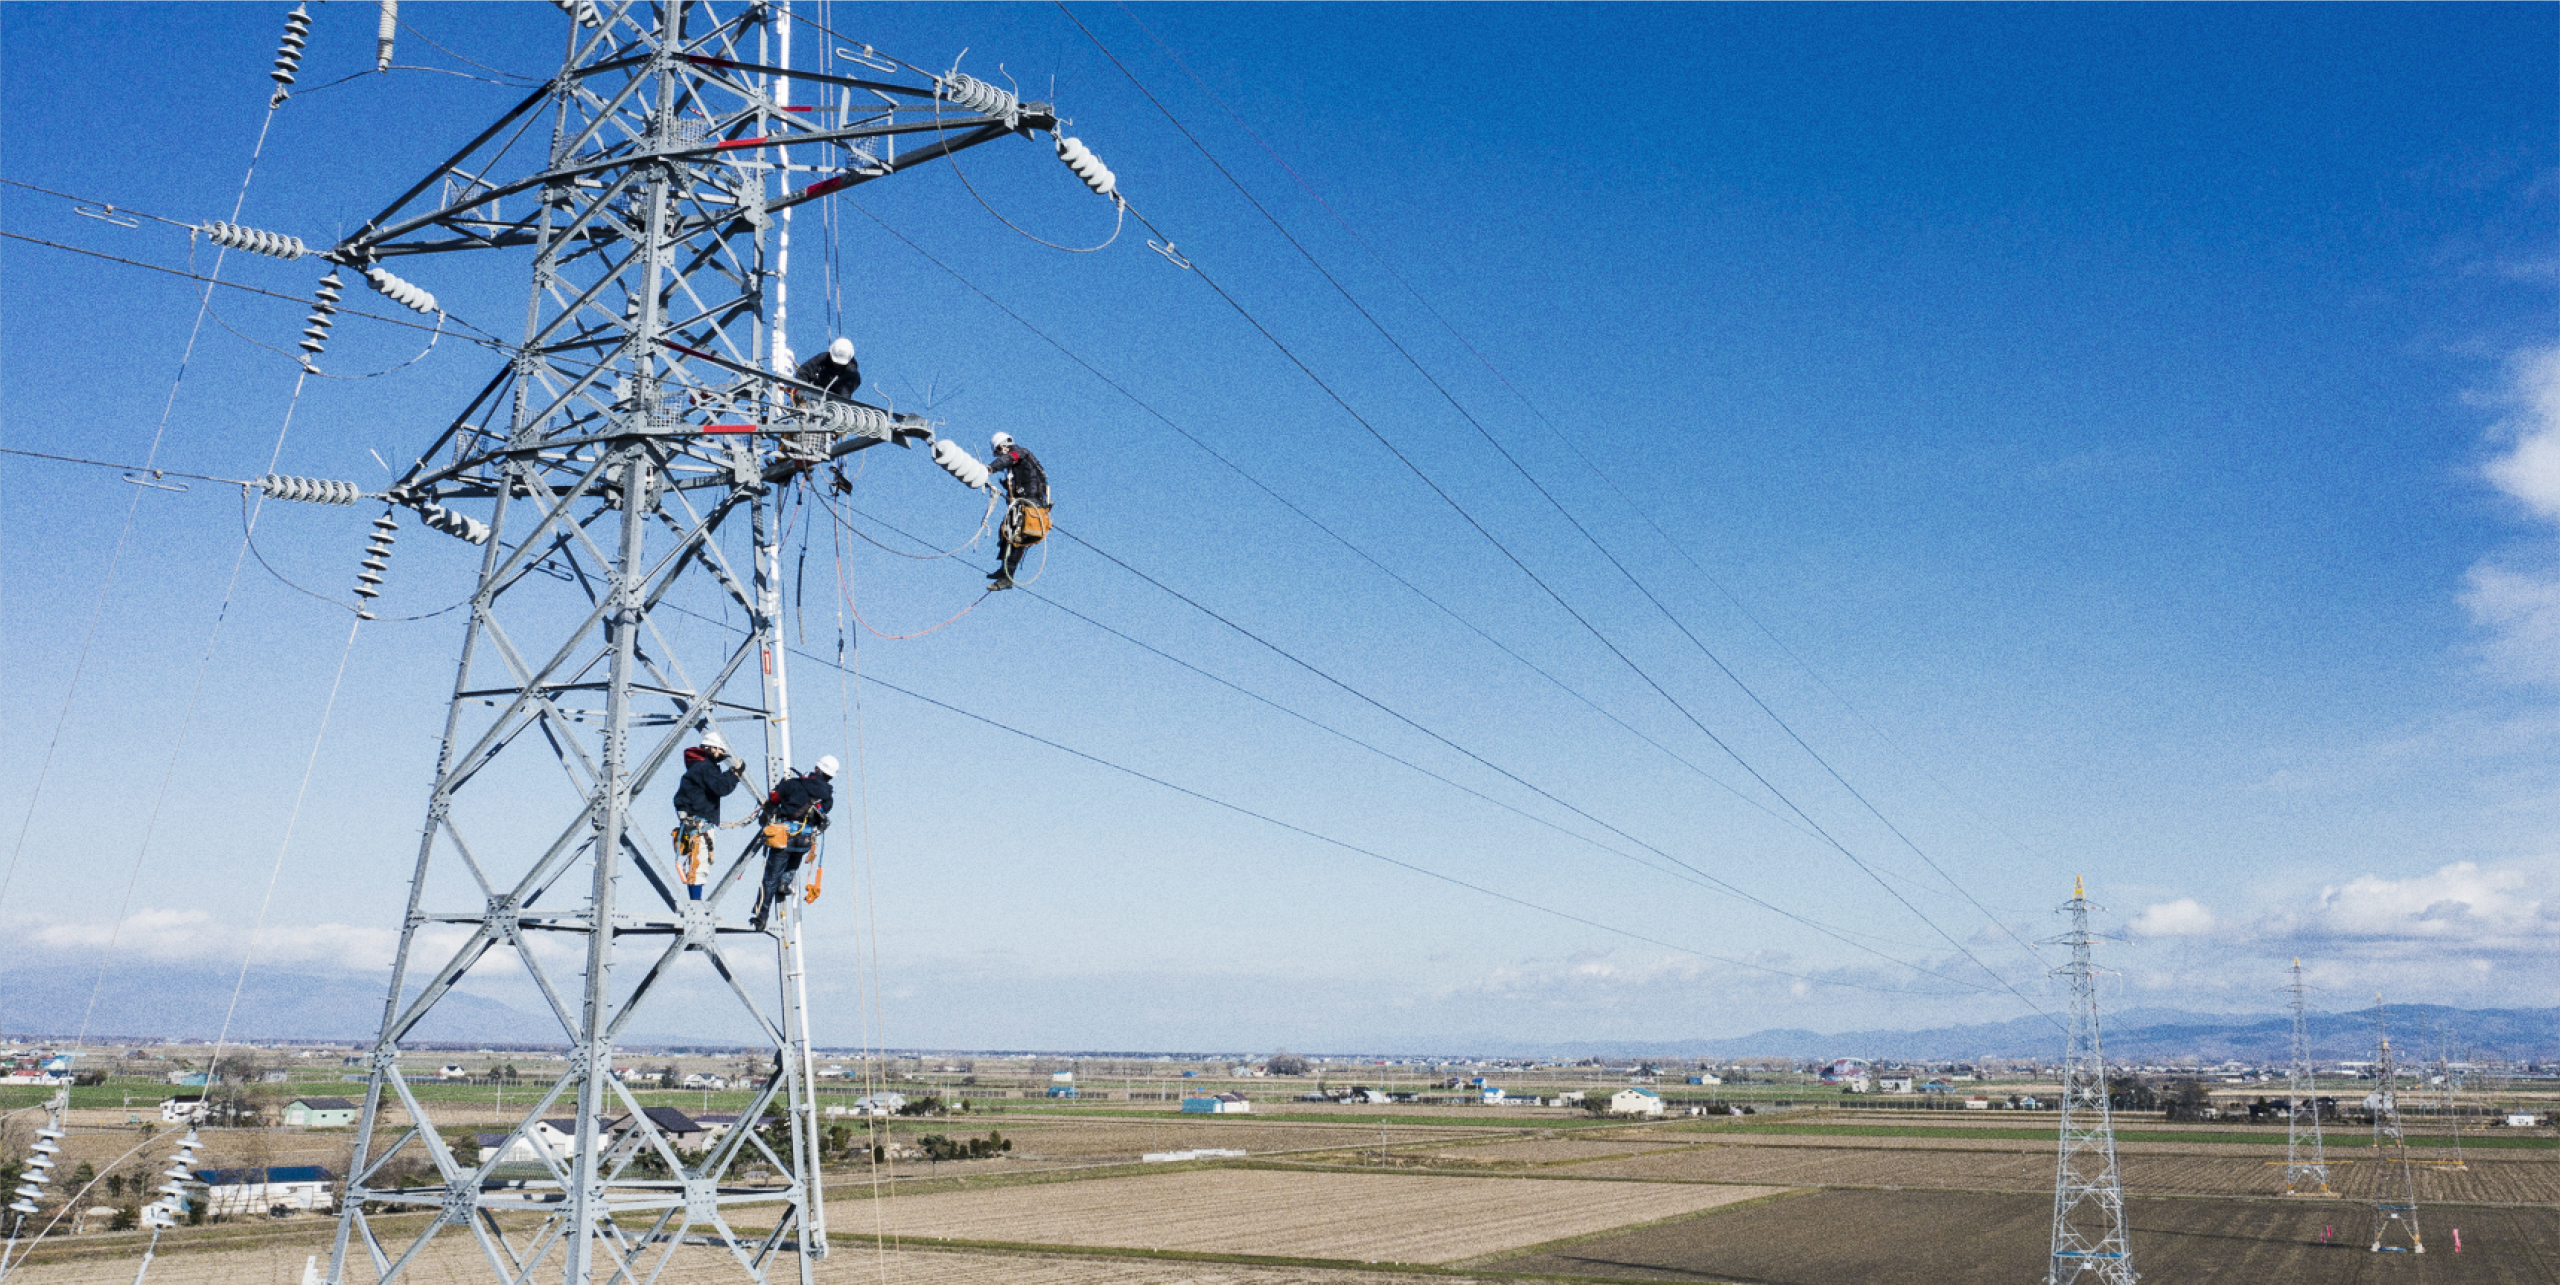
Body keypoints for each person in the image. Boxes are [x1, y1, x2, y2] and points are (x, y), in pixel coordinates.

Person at [751, 755, 836, 929]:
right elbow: (824, 811)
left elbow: (774, 798)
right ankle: (785, 882)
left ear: (817, 769)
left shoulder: (793, 784)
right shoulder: (827, 796)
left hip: (785, 835)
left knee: (770, 877)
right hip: (805, 840)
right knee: (792, 864)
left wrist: (783, 788)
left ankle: (762, 915)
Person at [671, 729, 744, 900]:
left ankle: (695, 902)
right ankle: (695, 905)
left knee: (696, 864)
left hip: (694, 823)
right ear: (712, 748)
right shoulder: (706, 767)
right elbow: (721, 788)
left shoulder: (698, 767)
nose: (722, 755)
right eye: (720, 751)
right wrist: (734, 775)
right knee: (699, 865)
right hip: (700, 825)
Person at [984, 431, 1050, 590]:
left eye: (998, 452)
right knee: (1005, 532)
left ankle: (1008, 578)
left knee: (1016, 537)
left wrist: (991, 468)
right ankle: (1003, 570)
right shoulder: (1019, 462)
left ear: (1002, 447)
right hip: (1024, 502)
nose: (1000, 455)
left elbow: (1008, 458)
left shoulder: (1019, 453)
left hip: (1030, 504)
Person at [793, 337, 862, 403]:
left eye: (840, 364)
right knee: (817, 395)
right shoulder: (822, 359)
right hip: (819, 392)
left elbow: (845, 394)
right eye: (835, 363)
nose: (837, 365)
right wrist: (799, 390)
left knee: (840, 403)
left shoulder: (852, 374)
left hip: (838, 397)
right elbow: (805, 371)